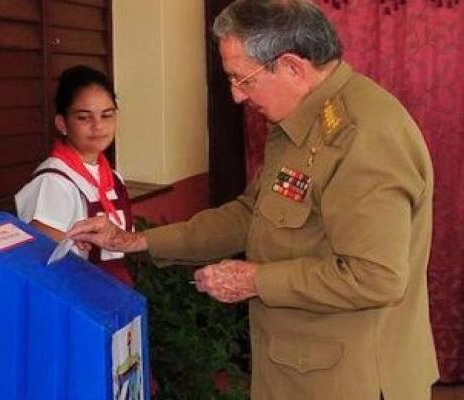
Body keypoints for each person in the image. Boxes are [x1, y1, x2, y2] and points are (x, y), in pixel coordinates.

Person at [67, 1, 438, 399]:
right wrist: (134, 241)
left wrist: (254, 279)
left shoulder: (364, 135)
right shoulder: (298, 118)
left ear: (293, 67)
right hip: (300, 371)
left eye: (243, 80)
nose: (237, 96)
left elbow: (374, 276)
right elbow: (252, 214)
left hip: (350, 380)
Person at [15, 65, 135, 285]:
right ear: (62, 123)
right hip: (78, 297)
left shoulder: (113, 178)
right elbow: (42, 259)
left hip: (115, 293)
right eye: (83, 117)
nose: (98, 126)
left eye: (107, 115)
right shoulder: (53, 181)